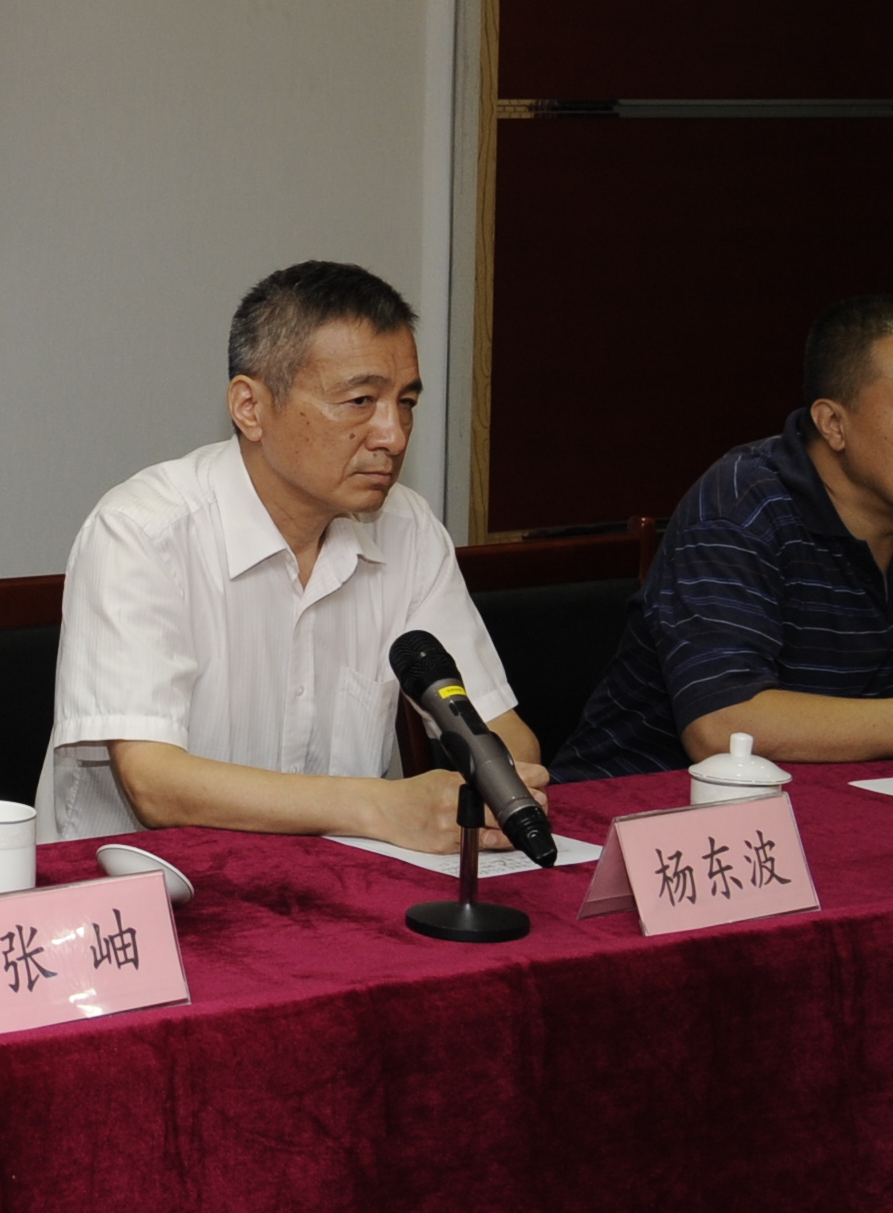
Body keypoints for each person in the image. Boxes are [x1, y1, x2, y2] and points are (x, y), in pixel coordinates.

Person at [36, 261, 547, 851]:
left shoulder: (407, 531)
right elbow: (154, 784)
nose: (394, 435)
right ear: (250, 407)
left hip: (327, 884)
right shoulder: (142, 532)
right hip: (138, 888)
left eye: (405, 402)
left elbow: (507, 738)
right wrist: (381, 805)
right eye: (360, 400)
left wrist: (498, 781)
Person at [557, 294, 893, 780]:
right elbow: (723, 725)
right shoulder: (739, 507)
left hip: (833, 805)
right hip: (635, 815)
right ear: (833, 424)